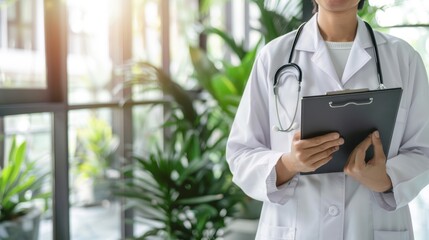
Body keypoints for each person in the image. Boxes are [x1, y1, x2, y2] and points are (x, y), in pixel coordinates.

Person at [225, 0, 429, 239]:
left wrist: (386, 179)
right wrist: (289, 164)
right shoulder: (273, 56)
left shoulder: (403, 58)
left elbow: (423, 150)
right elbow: (241, 153)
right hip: (296, 229)